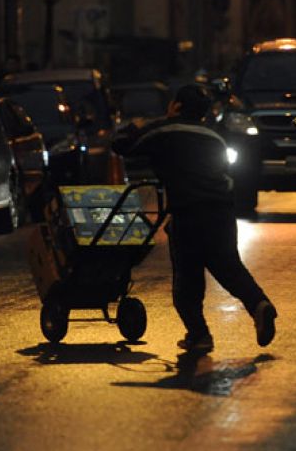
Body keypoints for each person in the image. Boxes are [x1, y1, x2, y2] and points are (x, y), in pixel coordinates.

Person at [113, 84, 276, 354]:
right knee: (229, 266)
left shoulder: (165, 130)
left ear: (176, 106)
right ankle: (259, 304)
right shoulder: (214, 136)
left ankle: (199, 334)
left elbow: (122, 146)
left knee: (188, 279)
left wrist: (137, 125)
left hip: (189, 213)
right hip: (222, 211)